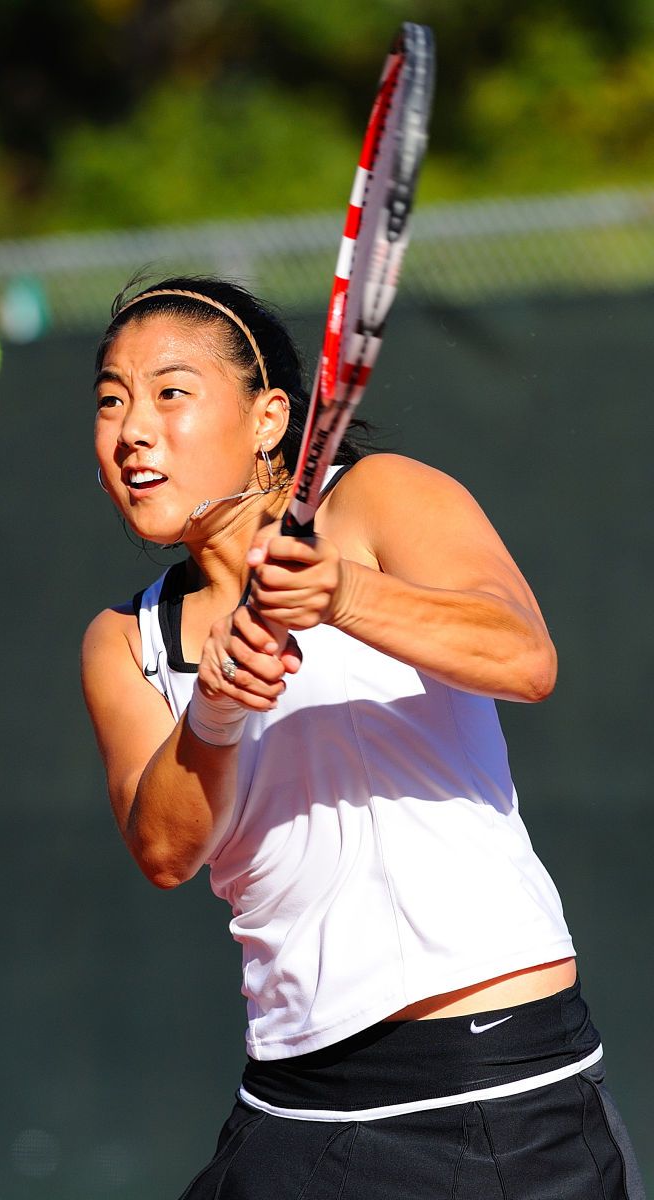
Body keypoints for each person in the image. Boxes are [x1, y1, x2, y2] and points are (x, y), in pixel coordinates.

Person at [81, 276, 644, 1199]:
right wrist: (214, 712)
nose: (133, 430)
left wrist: (346, 595)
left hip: (496, 1097)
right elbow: (163, 848)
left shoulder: (380, 497)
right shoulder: (125, 638)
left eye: (171, 392)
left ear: (269, 419)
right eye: (111, 400)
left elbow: (524, 658)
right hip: (290, 1106)